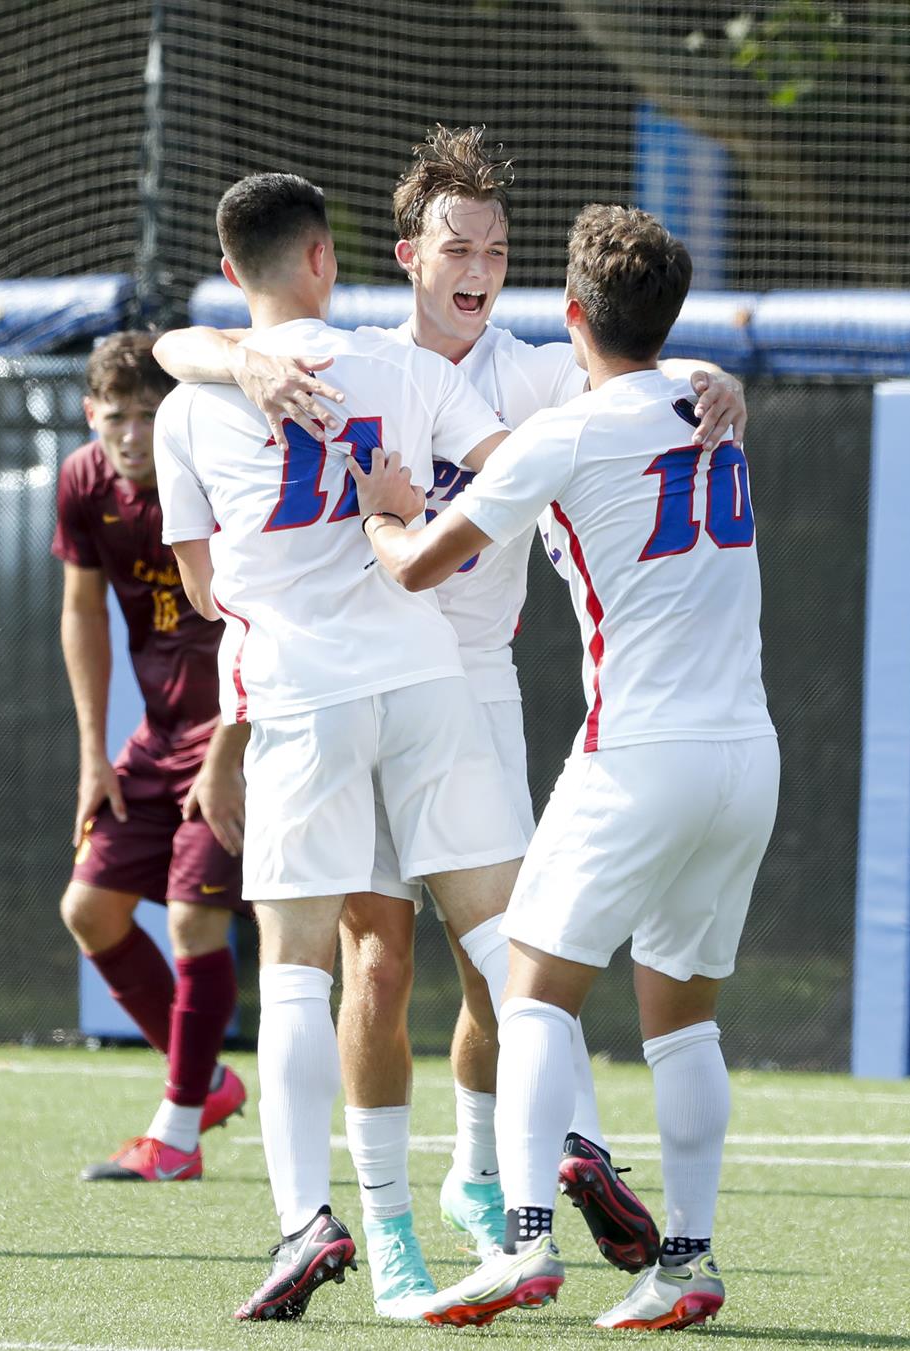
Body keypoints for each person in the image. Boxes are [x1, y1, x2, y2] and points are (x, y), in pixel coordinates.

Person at [154, 126, 746, 1311]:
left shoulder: (531, 371)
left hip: (449, 680)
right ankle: (438, 1215)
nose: (476, 265)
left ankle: (498, 1171)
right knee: (389, 957)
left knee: (490, 961)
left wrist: (708, 377)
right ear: (401, 257)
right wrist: (233, 364)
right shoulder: (382, 360)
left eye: (495, 246)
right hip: (410, 673)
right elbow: (194, 343)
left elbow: (636, 377)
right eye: (454, 245)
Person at [350, 203, 776, 1330]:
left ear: (572, 312)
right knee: (683, 1022)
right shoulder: (705, 403)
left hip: (638, 753)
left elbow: (418, 568)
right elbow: (673, 382)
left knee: (530, 990)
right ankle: (684, 1261)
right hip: (747, 756)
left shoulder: (571, 430)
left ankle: (524, 1245)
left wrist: (383, 516)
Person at [153, 172, 531, 1321]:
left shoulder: (185, 408)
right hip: (426, 677)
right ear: (325, 256)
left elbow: (205, 593)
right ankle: (529, 1212)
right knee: (510, 950)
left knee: (302, 975)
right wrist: (405, 518)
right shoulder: (407, 366)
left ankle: (320, 1223)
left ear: (234, 273)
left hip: (303, 698)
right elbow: (510, 474)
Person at [53, 332, 251, 1183]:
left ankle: (175, 1136)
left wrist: (230, 752)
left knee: (193, 919)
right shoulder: (82, 485)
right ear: (91, 416)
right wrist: (94, 752)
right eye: (115, 418)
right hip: (159, 737)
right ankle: (201, 1076)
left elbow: (261, 612)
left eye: (149, 415)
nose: (132, 436)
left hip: (249, 731)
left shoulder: (213, 470)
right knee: (90, 909)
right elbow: (83, 614)